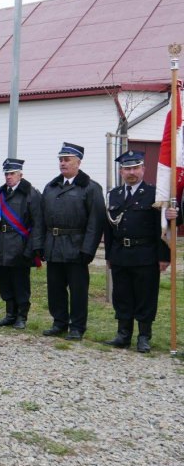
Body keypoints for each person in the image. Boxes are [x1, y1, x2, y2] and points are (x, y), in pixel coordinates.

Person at [104, 151, 170, 353]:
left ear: (143, 169)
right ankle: (123, 335)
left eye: (135, 168)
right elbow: (108, 229)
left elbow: (163, 226)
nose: (131, 172)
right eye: (127, 169)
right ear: (121, 171)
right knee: (122, 296)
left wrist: (164, 256)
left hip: (146, 254)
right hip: (121, 254)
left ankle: (143, 337)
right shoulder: (113, 195)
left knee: (145, 297)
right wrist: (108, 255)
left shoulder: (155, 194)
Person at [41, 142, 105, 340]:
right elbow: (42, 219)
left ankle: (77, 327)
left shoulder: (90, 188)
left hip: (76, 246)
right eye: (60, 159)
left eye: (67, 159)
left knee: (78, 290)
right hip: (53, 245)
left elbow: (96, 221)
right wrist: (42, 245)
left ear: (78, 162)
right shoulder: (51, 187)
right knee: (55, 287)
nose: (62, 163)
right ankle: (59, 322)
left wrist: (88, 249)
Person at [0, 158, 44, 329]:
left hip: (20, 244)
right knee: (4, 281)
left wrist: (32, 248)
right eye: (6, 174)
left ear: (21, 174)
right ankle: (9, 314)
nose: (9, 177)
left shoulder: (31, 194)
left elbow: (37, 223)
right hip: (2, 244)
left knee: (20, 283)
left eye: (12, 173)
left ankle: (22, 316)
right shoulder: (0, 193)